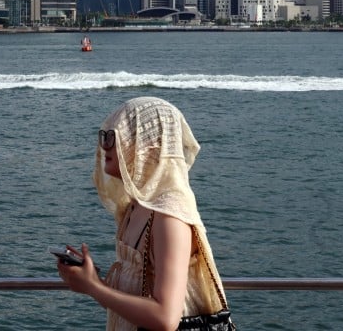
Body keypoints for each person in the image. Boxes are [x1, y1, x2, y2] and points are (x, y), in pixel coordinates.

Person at [56, 96, 231, 331]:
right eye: (104, 137)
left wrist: (93, 287)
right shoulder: (136, 208)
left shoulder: (169, 217)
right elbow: (133, 302)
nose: (105, 146)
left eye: (114, 138)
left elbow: (165, 318)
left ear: (148, 146)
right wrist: (93, 281)